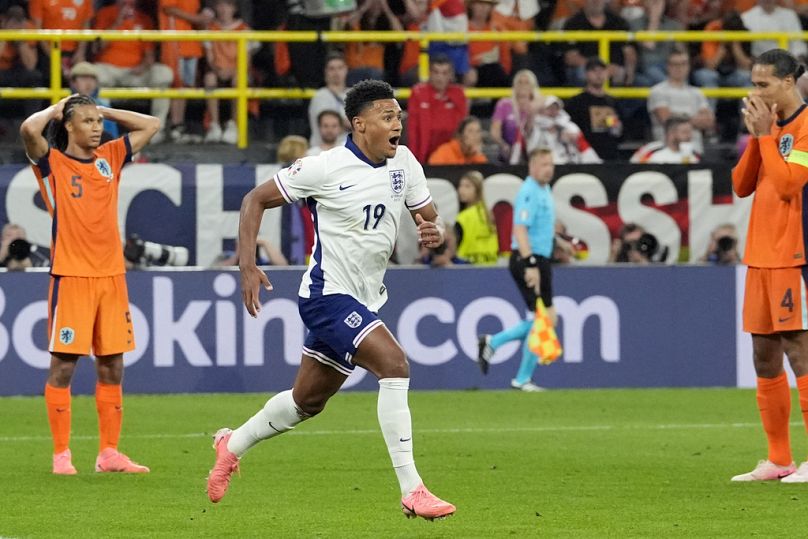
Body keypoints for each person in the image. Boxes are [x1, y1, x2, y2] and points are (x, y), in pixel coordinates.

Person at [206, 80, 456, 519]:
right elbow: (254, 200)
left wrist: (435, 232)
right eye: (387, 116)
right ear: (360, 125)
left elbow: (430, 221)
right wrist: (247, 265)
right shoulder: (323, 168)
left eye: (399, 116)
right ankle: (412, 488)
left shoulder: (406, 164)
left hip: (366, 299)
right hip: (327, 296)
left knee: (307, 402)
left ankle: (233, 444)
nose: (397, 123)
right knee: (394, 365)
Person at [19, 94, 161, 475]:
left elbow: (152, 124)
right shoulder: (52, 162)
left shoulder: (110, 157)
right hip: (72, 276)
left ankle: (109, 454)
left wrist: (101, 108)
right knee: (63, 366)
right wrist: (61, 104)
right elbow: (29, 128)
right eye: (87, 121)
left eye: (99, 122)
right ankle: (61, 456)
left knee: (112, 365)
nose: (97, 128)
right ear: (69, 125)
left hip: (112, 276)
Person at [730, 48, 808, 483]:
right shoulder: (769, 129)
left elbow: (789, 184)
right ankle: (779, 458)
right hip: (760, 256)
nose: (755, 93)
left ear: (787, 83)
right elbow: (742, 185)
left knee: (801, 352)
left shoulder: (806, 127)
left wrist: (764, 136)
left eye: (763, 85)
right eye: (753, 84)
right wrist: (757, 137)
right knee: (764, 356)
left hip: (793, 256)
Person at [477, 148, 557, 391]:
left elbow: (540, 227)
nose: (549, 168)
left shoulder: (544, 190)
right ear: (532, 167)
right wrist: (531, 263)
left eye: (551, 164)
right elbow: (520, 230)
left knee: (546, 319)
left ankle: (494, 342)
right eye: (544, 164)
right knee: (543, 319)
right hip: (528, 260)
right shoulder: (529, 192)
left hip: (539, 258)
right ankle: (521, 378)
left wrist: (562, 241)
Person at [92, 0, 174, 143]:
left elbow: (150, 55)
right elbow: (97, 47)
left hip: (135, 73)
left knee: (164, 74)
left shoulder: (144, 19)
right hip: (109, 70)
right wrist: (118, 22)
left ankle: (156, 131)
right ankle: (101, 131)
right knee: (93, 75)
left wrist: (143, 67)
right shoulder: (105, 13)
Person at [407, 55, 468, 163]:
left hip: (452, 157)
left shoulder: (458, 94)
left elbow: (463, 128)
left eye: (444, 73)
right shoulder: (418, 93)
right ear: (430, 73)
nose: (440, 77)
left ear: (450, 75)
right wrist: (414, 160)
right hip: (424, 154)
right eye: (436, 72)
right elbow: (413, 130)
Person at [565, 57, 624, 161]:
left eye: (602, 71)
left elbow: (620, 132)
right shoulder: (576, 102)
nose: (598, 74)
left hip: (610, 156)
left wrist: (618, 128)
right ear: (586, 74)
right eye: (594, 71)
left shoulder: (613, 102)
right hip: (585, 155)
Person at [454, 170, 498, 265]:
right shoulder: (489, 214)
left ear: (477, 190)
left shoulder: (463, 217)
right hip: (491, 266)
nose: (461, 190)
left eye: (467, 186)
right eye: (460, 186)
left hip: (466, 266)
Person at [308, 53, 351, 148]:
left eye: (340, 68)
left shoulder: (353, 94)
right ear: (326, 71)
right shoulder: (321, 95)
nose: (336, 73)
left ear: (346, 70)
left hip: (346, 151)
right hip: (323, 152)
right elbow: (330, 123)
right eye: (332, 69)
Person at [69, 62, 118, 141]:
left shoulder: (105, 107)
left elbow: (112, 138)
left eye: (92, 79)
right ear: (73, 82)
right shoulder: (63, 106)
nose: (88, 83)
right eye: (83, 78)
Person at [630, 115, 700, 164]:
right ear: (671, 134)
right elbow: (632, 169)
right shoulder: (650, 151)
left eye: (690, 132)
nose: (689, 136)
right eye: (685, 132)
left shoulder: (694, 155)